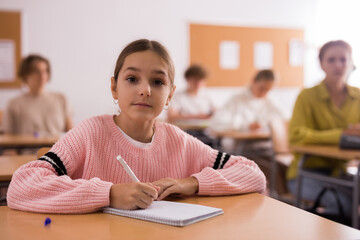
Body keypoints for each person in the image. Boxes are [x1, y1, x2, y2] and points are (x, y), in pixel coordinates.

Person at [7, 39, 266, 213]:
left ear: (171, 94)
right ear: (114, 87)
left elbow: (252, 173)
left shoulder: (178, 140)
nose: (145, 90)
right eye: (132, 79)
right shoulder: (90, 133)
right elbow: (22, 186)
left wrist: (192, 182)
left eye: (157, 82)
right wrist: (109, 194)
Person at [287, 40, 360, 219]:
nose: (338, 65)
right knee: (345, 203)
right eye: (331, 60)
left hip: (341, 172)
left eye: (343, 59)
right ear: (321, 64)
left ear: (351, 63)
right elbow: (297, 137)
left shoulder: (357, 96)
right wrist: (342, 134)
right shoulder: (307, 96)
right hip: (306, 173)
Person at [3, 54, 73, 136]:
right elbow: (8, 139)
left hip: (57, 148)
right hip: (28, 148)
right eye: (37, 72)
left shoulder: (61, 99)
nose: (42, 76)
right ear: (25, 75)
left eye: (45, 71)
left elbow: (71, 134)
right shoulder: (14, 104)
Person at [210, 69, 285, 134]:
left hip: (264, 144)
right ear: (253, 81)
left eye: (268, 90)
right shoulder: (236, 99)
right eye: (261, 88)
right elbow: (216, 124)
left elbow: (286, 117)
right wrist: (245, 126)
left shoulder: (270, 100)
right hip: (239, 146)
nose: (264, 93)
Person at [167, 64, 215, 146]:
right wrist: (198, 117)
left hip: (203, 131)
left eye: (201, 80)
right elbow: (172, 116)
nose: (198, 83)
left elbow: (214, 112)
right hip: (184, 132)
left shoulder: (206, 96)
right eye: (195, 80)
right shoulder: (178, 96)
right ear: (188, 79)